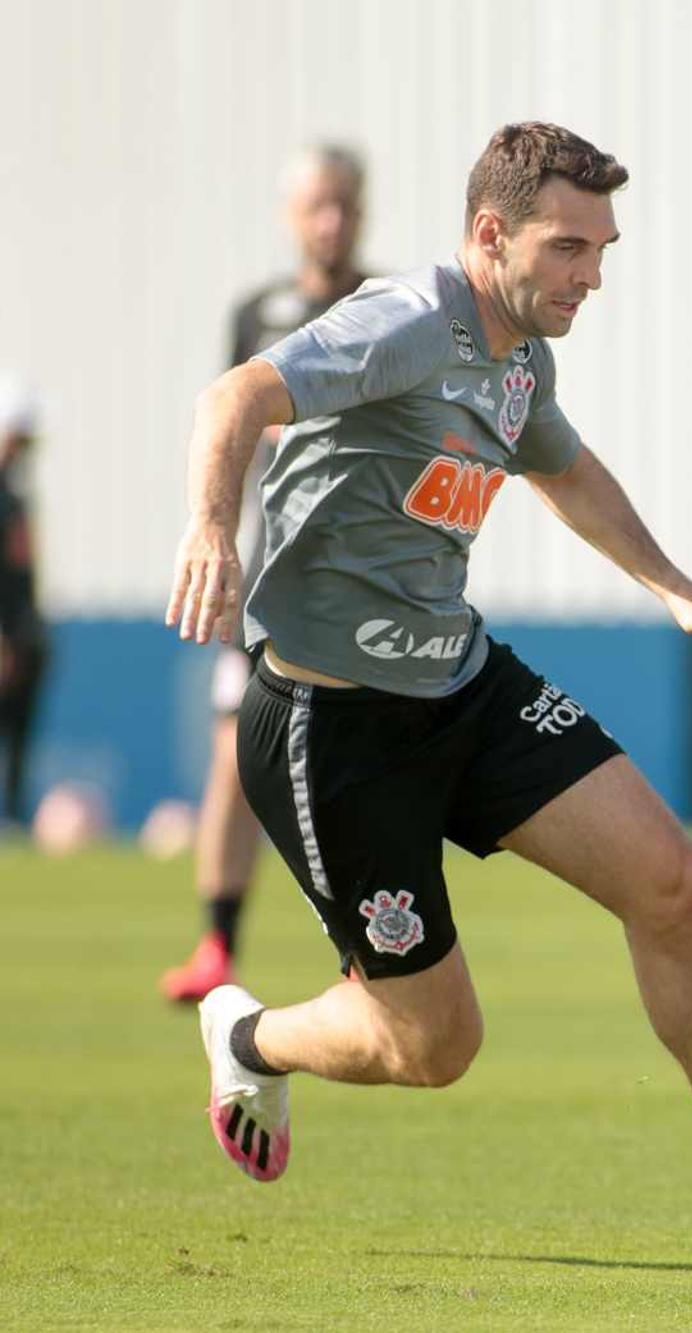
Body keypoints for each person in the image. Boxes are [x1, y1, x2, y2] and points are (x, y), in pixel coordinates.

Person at [165, 122, 692, 1269]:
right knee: (436, 1044)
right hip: (332, 722)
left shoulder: (520, 360)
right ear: (491, 234)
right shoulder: (407, 318)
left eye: (603, 250)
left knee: (674, 882)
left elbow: (565, 469)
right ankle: (248, 1032)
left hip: (462, 682)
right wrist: (211, 528)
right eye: (569, 248)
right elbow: (232, 398)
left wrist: (675, 586)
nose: (592, 276)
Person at [161, 144, 372, 1002]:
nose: (332, 220)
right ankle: (217, 945)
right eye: (318, 205)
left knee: (355, 763)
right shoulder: (259, 312)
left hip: (359, 576)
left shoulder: (384, 305)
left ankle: (368, 949)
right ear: (293, 213)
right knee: (232, 759)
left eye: (345, 205)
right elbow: (230, 423)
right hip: (266, 575)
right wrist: (215, 535)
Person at [0, 381, 45, 828]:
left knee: (21, 729)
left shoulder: (15, 493)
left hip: (24, 629)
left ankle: (13, 817)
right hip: (7, 630)